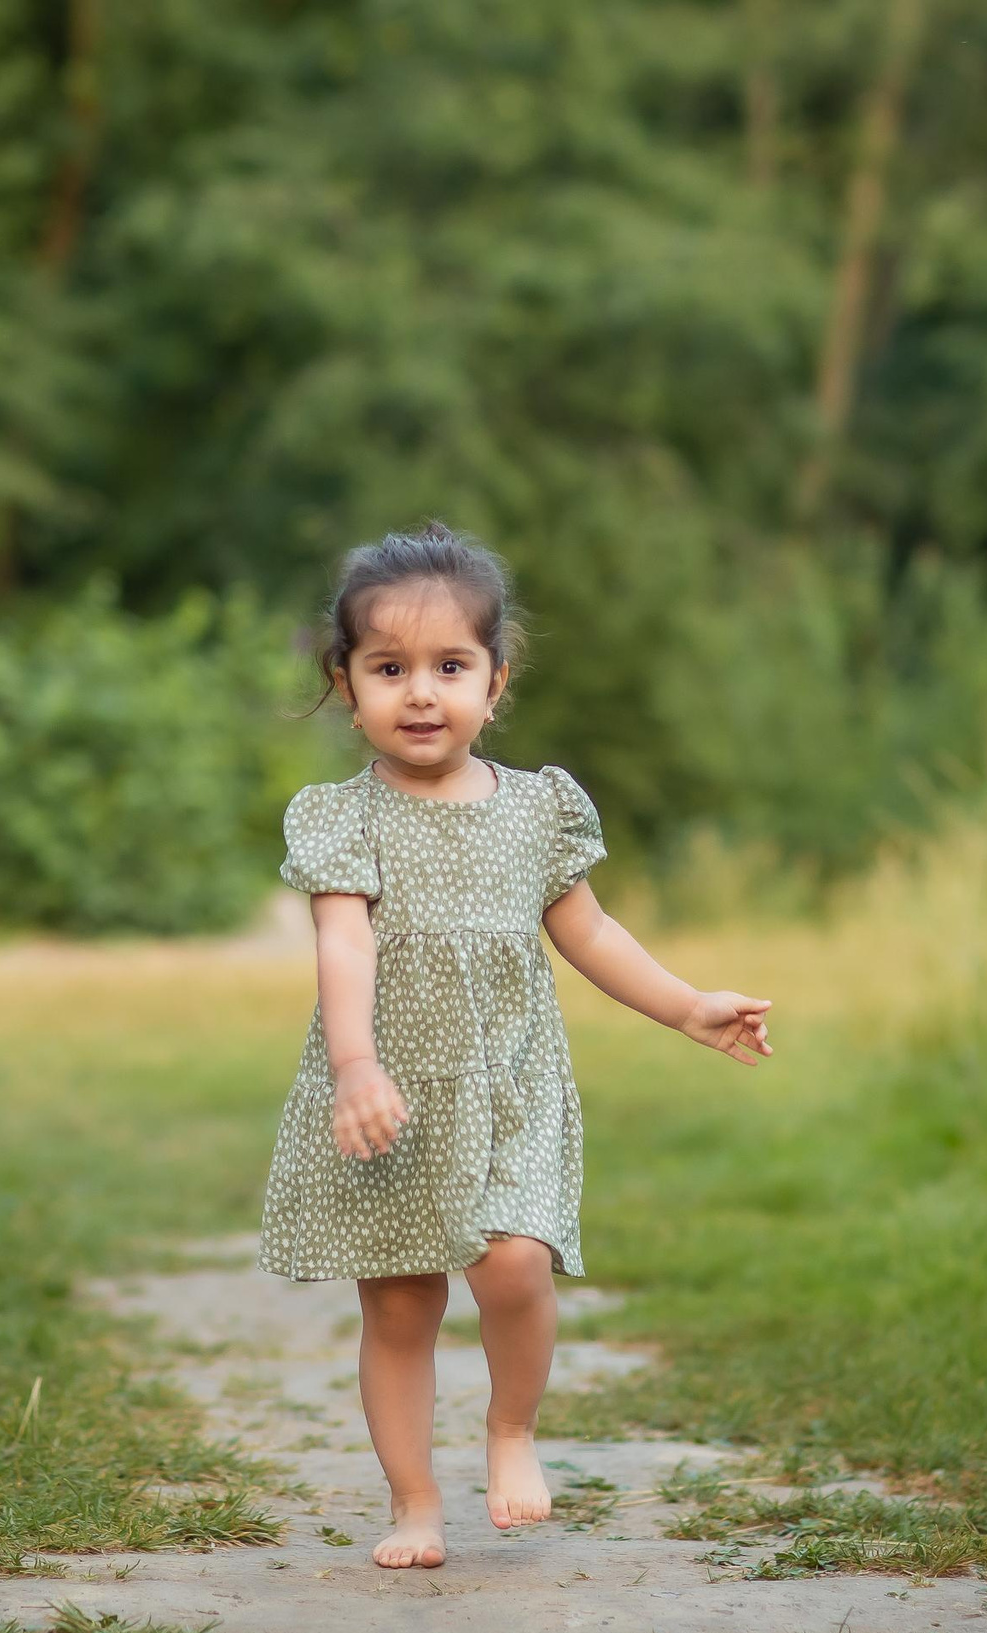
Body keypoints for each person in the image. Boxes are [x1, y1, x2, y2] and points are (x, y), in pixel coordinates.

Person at [257, 520, 773, 1570]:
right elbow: (342, 944)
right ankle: (411, 1502)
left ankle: (511, 1430)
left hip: (509, 1088)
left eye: (450, 666)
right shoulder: (339, 819)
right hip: (388, 1096)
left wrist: (684, 1006)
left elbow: (588, 929)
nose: (419, 693)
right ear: (345, 683)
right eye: (387, 668)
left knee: (515, 1263)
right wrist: (355, 1065)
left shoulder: (538, 809)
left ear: (496, 680)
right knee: (401, 1305)